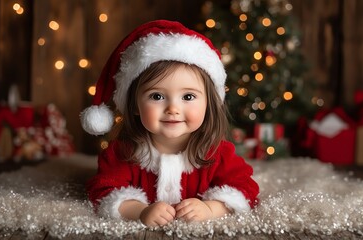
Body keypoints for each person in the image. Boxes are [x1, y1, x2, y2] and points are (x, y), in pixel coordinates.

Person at [81, 20, 259, 227]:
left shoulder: (217, 153)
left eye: (188, 97)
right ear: (135, 105)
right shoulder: (122, 153)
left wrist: (211, 208)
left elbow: (246, 189)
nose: (173, 109)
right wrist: (139, 211)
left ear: (209, 104)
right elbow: (102, 192)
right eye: (157, 96)